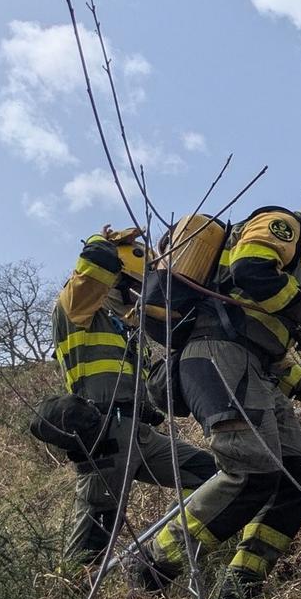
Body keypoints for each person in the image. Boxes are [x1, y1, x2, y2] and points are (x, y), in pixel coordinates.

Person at [127, 166, 301, 599]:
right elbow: (249, 268)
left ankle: (239, 589)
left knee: (298, 482)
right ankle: (153, 561)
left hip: (250, 367)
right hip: (216, 358)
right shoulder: (284, 224)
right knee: (253, 471)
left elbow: (271, 353)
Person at [50, 226, 216, 561]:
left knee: (213, 476)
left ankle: (161, 552)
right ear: (114, 280)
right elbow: (93, 267)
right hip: (104, 438)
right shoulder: (77, 310)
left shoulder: (127, 330)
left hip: (141, 437)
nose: (141, 297)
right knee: (93, 539)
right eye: (135, 288)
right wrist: (102, 242)